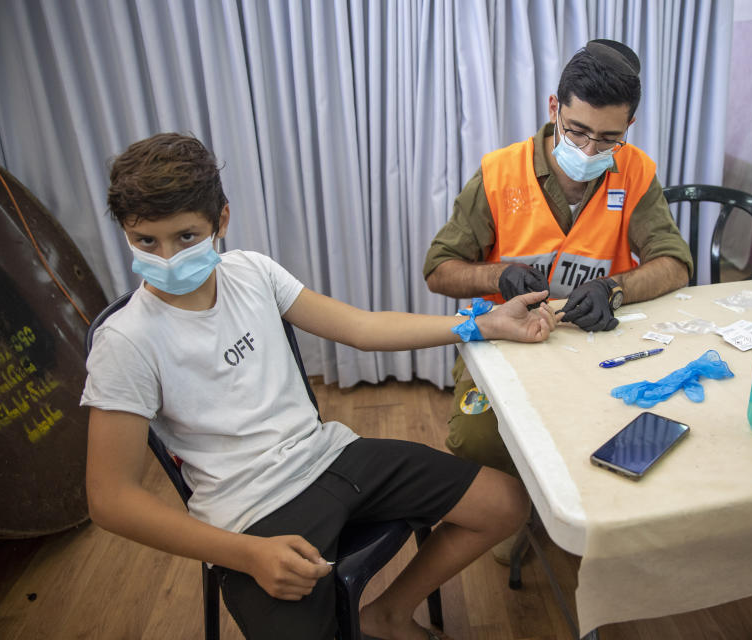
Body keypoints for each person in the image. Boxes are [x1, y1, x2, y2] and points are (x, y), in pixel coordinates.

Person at [81, 133, 560, 640]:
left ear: (221, 220)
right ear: (125, 233)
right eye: (146, 242)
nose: (169, 258)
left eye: (185, 238)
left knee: (505, 503)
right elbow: (110, 498)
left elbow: (363, 328)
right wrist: (247, 554)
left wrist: (481, 324)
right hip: (248, 514)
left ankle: (389, 614)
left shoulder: (251, 272)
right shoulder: (125, 341)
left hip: (328, 457)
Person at [422, 40, 692, 501]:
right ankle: (509, 511)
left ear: (629, 125)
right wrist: (498, 276)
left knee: (638, 426)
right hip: (507, 336)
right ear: (554, 108)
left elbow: (675, 264)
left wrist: (614, 289)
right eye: (577, 131)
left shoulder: (636, 172)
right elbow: (438, 270)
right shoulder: (499, 172)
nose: (589, 150)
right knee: (477, 441)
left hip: (595, 336)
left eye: (609, 137)